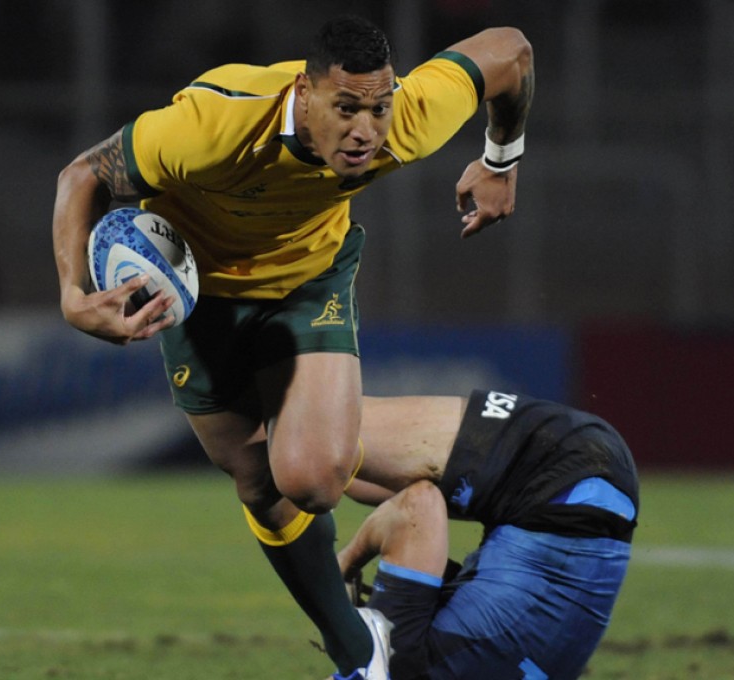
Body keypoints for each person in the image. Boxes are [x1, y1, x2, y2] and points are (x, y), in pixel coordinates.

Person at [52, 14, 534, 679]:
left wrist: (501, 159)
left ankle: (445, 519)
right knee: (255, 478)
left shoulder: (408, 120)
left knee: (311, 477)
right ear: (304, 96)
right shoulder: (212, 127)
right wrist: (74, 296)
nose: (366, 130)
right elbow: (82, 175)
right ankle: (359, 651)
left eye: (378, 106)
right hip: (203, 294)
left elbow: (509, 52)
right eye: (346, 108)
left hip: (310, 280)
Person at [338, 389, 639, 680]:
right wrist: (345, 566)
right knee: (326, 432)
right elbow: (416, 506)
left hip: (603, 496)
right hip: (553, 469)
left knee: (339, 472)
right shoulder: (399, 663)